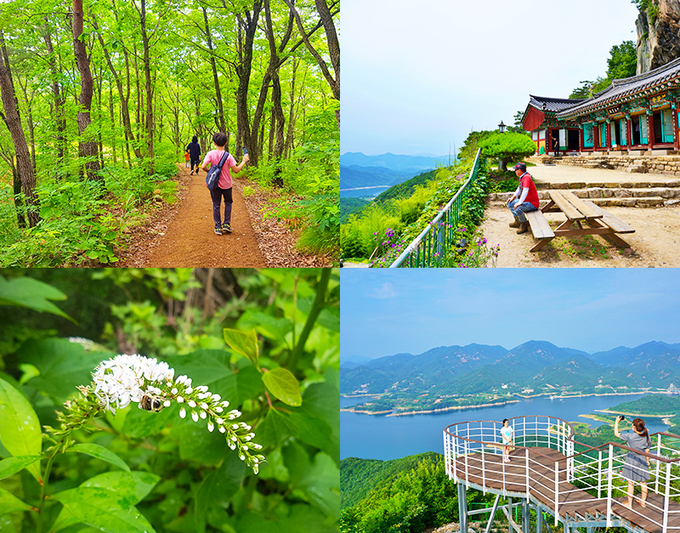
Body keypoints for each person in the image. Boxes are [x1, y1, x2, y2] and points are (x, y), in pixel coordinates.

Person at [201, 132, 249, 235]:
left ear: (214, 143)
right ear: (226, 143)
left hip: (215, 184)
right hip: (227, 184)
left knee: (216, 204)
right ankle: (227, 224)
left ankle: (218, 227)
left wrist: (211, 172)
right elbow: (236, 170)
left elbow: (203, 166)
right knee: (228, 202)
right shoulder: (228, 156)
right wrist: (244, 161)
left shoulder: (210, 154)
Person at [614, 415, 651, 509]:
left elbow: (617, 434)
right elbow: (647, 451)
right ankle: (643, 502)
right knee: (643, 482)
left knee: (631, 482)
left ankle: (629, 504)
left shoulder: (630, 436)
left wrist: (617, 422)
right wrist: (647, 461)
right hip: (642, 459)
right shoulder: (647, 436)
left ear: (634, 427)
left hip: (631, 459)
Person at [506, 163, 539, 235]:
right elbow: (519, 188)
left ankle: (524, 224)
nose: (515, 171)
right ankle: (518, 221)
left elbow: (525, 190)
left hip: (532, 203)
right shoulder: (522, 177)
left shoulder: (526, 177)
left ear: (519, 170)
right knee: (510, 203)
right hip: (527, 202)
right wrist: (513, 198)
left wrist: (520, 202)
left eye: (516, 170)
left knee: (518, 208)